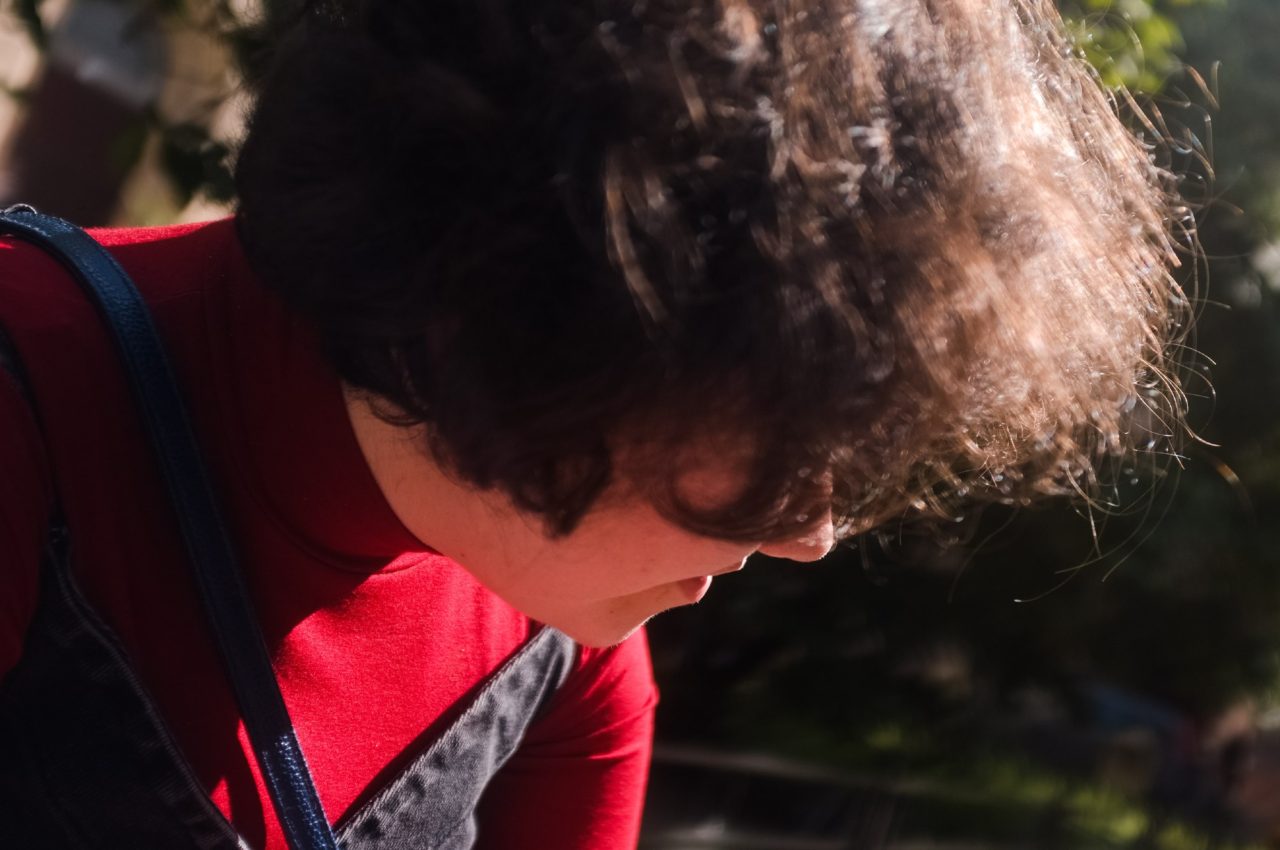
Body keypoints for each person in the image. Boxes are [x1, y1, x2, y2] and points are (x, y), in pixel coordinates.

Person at [0, 0, 1187, 848]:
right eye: (785, 427)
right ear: (551, 306)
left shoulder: (563, 648)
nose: (810, 532)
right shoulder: (30, 408)